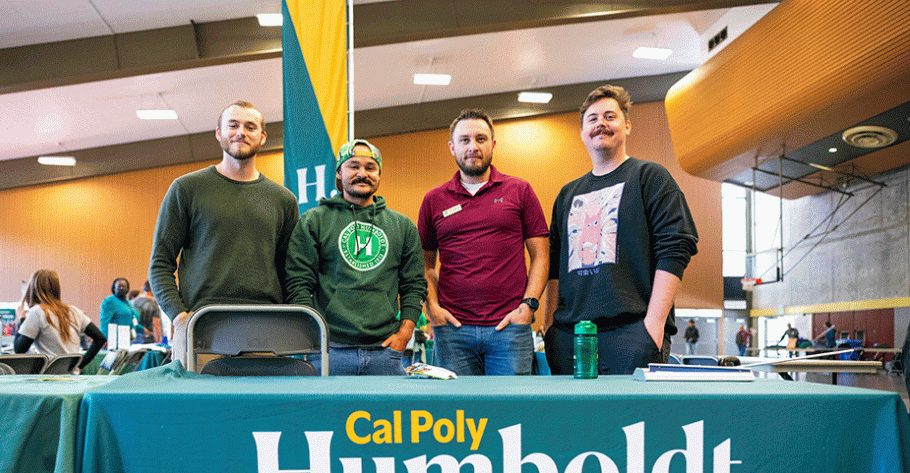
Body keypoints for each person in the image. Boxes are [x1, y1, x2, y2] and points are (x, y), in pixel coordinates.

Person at [544, 85, 698, 375]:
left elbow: (676, 248)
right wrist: (550, 326)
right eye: (592, 119)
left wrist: (653, 325)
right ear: (582, 132)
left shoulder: (650, 178)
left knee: (631, 421)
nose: (600, 123)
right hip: (568, 337)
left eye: (609, 116)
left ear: (626, 126)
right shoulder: (567, 195)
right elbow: (554, 266)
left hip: (632, 335)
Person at [149, 100, 299, 365]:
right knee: (198, 408)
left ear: (262, 137)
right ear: (219, 133)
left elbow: (291, 271)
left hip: (266, 331)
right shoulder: (186, 189)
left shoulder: (283, 200)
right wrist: (179, 316)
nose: (241, 132)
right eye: (233, 125)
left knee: (262, 408)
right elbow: (160, 263)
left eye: (250, 127)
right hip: (202, 327)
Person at [418, 109, 549, 375]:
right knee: (457, 415)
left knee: (511, 412)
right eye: (464, 140)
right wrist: (432, 309)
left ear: (493, 144)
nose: (473, 147)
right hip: (454, 332)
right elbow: (424, 265)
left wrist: (529, 307)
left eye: (481, 138)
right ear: (452, 147)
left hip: (510, 329)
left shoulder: (520, 191)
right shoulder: (433, 200)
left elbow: (541, 256)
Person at [285, 139, 427, 375]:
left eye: (370, 167)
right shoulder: (314, 221)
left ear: (379, 174)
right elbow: (297, 282)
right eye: (353, 166)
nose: (362, 173)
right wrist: (312, 335)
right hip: (330, 351)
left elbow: (414, 285)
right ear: (339, 174)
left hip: (385, 352)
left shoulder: (402, 226)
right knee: (327, 413)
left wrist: (405, 333)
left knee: (384, 414)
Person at [15, 269, 106, 371]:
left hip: (49, 379)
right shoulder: (74, 311)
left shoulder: (37, 312)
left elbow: (19, 350)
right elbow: (100, 339)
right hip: (72, 378)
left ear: (33, 289)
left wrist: (21, 319)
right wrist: (79, 366)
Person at [100, 277, 144, 346]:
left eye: (124, 286)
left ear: (128, 289)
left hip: (128, 340)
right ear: (114, 288)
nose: (121, 288)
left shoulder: (128, 303)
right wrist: (104, 339)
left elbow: (132, 321)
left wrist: (145, 330)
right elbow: (104, 322)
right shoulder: (109, 301)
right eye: (119, 286)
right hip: (114, 341)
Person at [132, 280, 163, 344]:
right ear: (153, 289)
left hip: (133, 340)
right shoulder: (153, 304)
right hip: (148, 341)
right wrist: (159, 341)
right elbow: (156, 325)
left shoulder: (132, 302)